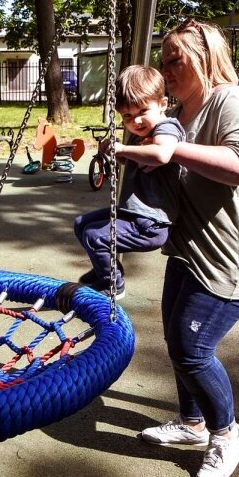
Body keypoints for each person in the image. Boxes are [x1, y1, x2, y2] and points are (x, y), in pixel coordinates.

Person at [117, 19, 239, 477]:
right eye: (163, 59)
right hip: (189, 250)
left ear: (204, 55)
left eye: (174, 57)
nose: (165, 67)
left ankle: (227, 434)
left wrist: (171, 152)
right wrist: (131, 155)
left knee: (192, 349)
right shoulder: (178, 113)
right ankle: (192, 425)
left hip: (232, 257)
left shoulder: (231, 100)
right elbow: (164, 175)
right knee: (174, 340)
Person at [74, 64, 186, 300]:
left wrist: (124, 147)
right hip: (133, 213)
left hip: (150, 222)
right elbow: (136, 164)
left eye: (143, 111)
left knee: (95, 237)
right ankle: (106, 270)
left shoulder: (167, 127)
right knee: (81, 224)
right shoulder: (140, 135)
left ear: (163, 104)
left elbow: (162, 154)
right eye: (127, 116)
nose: (136, 121)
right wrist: (117, 152)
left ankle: (113, 285)